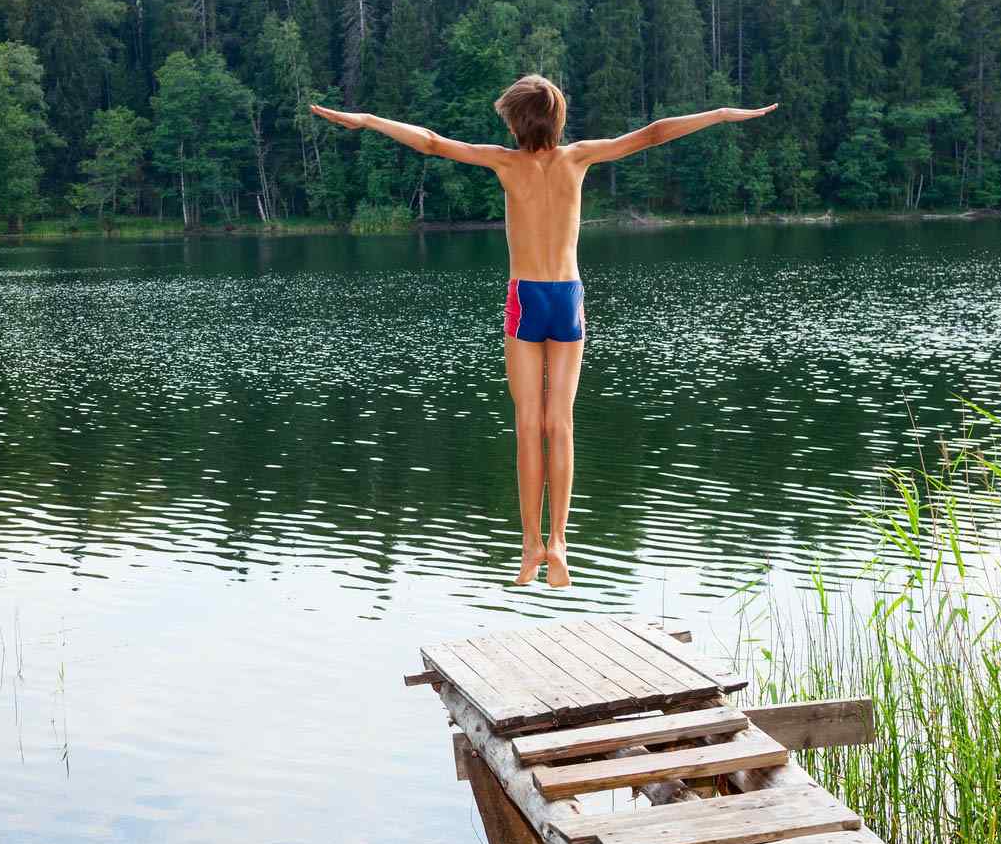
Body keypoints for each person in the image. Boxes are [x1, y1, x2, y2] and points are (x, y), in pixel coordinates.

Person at [311, 77, 776, 587]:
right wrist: (721, 113)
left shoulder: (505, 163)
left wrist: (369, 121)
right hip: (567, 299)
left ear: (515, 122)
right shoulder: (578, 158)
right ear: (557, 120)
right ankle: (560, 542)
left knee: (527, 426)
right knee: (562, 424)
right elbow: (654, 133)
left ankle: (530, 545)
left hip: (525, 300)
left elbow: (429, 141)